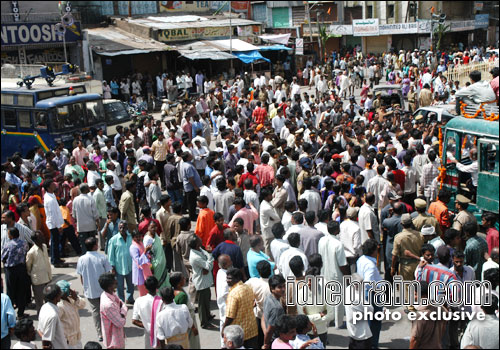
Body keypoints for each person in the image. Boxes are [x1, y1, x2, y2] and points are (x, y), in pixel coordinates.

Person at [76, 237, 112, 342]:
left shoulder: (81, 259)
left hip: (90, 291)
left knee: (96, 312)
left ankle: (100, 333)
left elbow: (81, 276)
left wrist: (85, 287)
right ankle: (108, 330)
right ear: (95, 246)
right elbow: (108, 273)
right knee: (106, 310)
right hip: (104, 290)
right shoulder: (102, 257)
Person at [318, 221, 350, 328]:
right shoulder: (338, 244)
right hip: (336, 275)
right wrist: (347, 277)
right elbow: (342, 264)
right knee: (338, 302)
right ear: (337, 230)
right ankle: (338, 323)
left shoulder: (322, 240)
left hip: (324, 274)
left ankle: (328, 321)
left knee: (327, 300)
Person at [357, 239, 382, 349]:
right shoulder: (370, 265)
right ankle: (372, 345)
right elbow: (368, 282)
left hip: (364, 293)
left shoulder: (361, 259)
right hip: (372, 295)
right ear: (373, 251)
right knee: (375, 322)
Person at [409, 281, 447, 349]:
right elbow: (445, 319)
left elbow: (414, 339)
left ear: (424, 296)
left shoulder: (420, 315)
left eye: (415, 294)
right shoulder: (439, 307)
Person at [1, 227, 30, 319]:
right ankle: (21, 314)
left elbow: (3, 257)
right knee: (21, 291)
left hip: (10, 270)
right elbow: (26, 253)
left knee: (10, 291)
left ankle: (9, 315)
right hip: (21, 269)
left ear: (11, 235)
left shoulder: (8, 245)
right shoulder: (24, 243)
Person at [188, 235, 215, 329]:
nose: (201, 240)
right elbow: (208, 266)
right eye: (199, 240)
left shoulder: (199, 249)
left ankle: (208, 316)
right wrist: (210, 255)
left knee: (206, 301)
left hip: (206, 281)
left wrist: (207, 260)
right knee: (202, 305)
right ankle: (204, 322)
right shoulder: (195, 257)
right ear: (196, 244)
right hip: (202, 282)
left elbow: (207, 263)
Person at [169, 272, 200, 349]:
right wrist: (193, 327)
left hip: (183, 322)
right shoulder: (182, 295)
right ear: (179, 283)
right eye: (183, 278)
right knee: (192, 342)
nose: (185, 279)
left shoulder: (173, 291)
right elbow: (184, 312)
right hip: (188, 321)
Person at [107, 221, 134, 304]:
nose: (122, 229)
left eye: (124, 227)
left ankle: (130, 298)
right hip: (119, 267)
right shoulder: (113, 240)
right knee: (120, 286)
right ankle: (121, 301)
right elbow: (110, 255)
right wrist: (112, 267)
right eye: (120, 227)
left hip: (130, 266)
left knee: (131, 284)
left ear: (127, 228)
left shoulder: (131, 237)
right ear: (118, 228)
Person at [26, 230, 52, 314]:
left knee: (49, 299)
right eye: (41, 237)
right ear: (36, 240)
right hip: (38, 280)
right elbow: (28, 266)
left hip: (47, 278)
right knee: (39, 301)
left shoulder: (44, 246)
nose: (43, 238)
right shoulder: (31, 252)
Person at [99, 272, 127, 349]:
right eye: (114, 282)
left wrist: (122, 311)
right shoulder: (108, 304)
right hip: (114, 342)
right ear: (109, 286)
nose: (116, 282)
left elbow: (121, 303)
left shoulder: (109, 293)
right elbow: (121, 322)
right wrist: (123, 312)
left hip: (118, 337)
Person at [345, 273, 373, 349]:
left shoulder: (348, 290)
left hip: (352, 332)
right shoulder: (357, 299)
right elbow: (370, 309)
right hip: (362, 335)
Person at [56, 280, 86, 349]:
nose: (71, 290)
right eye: (69, 289)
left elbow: (83, 305)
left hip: (77, 336)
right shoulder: (59, 305)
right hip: (68, 341)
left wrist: (76, 298)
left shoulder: (72, 298)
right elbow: (56, 323)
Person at [132, 276, 160, 349]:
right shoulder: (162, 301)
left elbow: (134, 320)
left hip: (148, 333)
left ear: (145, 287)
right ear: (157, 286)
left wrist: (146, 325)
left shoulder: (139, 301)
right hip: (161, 332)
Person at [38, 284, 68, 349]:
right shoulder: (53, 316)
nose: (61, 295)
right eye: (60, 294)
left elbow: (39, 330)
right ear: (56, 298)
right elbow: (46, 341)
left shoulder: (44, 307)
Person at [43, 180, 66, 266]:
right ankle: (55, 261)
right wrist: (58, 226)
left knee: (55, 242)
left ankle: (57, 258)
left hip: (54, 223)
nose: (54, 185)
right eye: (52, 184)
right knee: (55, 243)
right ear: (49, 187)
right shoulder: (50, 199)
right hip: (53, 224)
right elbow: (52, 215)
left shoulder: (51, 195)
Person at [72, 183, 100, 252]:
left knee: (84, 245)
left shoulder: (75, 200)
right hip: (91, 226)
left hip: (81, 227)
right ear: (85, 189)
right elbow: (95, 213)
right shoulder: (91, 199)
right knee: (92, 244)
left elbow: (74, 214)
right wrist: (98, 224)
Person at [143, 221, 170, 289]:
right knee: (158, 283)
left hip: (162, 264)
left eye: (155, 227)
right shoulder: (147, 239)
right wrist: (151, 267)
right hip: (156, 265)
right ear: (148, 227)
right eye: (152, 227)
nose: (153, 229)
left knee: (166, 282)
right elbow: (148, 256)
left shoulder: (156, 236)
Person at [263, 275, 287, 349]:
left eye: (284, 286)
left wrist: (265, 334)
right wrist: (266, 344)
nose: (283, 289)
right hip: (274, 341)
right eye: (280, 287)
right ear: (272, 289)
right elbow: (270, 329)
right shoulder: (277, 308)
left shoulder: (268, 297)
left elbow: (263, 318)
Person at [130, 230, 153, 297]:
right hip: (139, 272)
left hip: (145, 270)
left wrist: (148, 254)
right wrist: (145, 251)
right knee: (143, 293)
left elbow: (143, 254)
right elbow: (138, 261)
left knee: (147, 290)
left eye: (139, 236)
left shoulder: (140, 243)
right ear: (133, 238)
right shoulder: (133, 247)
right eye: (136, 237)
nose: (138, 238)